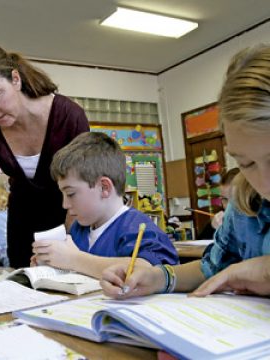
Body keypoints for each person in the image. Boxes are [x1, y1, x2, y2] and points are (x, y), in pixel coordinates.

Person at [101, 44, 270, 298]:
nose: (264, 185)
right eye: (246, 164)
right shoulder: (245, 202)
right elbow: (211, 267)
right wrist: (158, 277)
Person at [0, 42, 89, 281]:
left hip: (70, 216)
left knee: (66, 285)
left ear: (15, 79)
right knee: (22, 287)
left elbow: (81, 187)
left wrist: (68, 242)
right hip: (22, 220)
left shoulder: (68, 116)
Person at [32, 132, 178, 279]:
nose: (65, 205)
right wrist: (50, 264)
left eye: (70, 194)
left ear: (104, 188)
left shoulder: (138, 228)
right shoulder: (79, 229)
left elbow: (150, 273)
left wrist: (73, 259)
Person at [198, 167, 240, 239]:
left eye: (234, 199)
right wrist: (213, 228)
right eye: (225, 199)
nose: (228, 206)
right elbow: (201, 244)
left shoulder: (260, 218)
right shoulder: (221, 216)